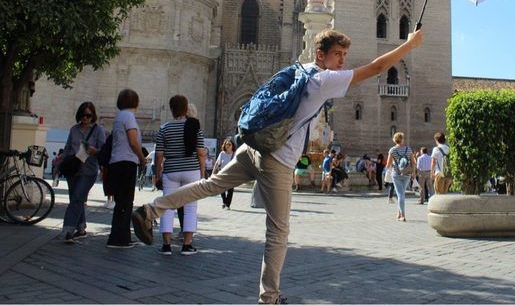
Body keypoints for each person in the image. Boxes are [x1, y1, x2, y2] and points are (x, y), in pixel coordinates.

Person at [131, 27, 423, 303]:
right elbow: (374, 68)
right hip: (278, 160)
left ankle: (151, 210)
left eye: (344, 56)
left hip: (253, 147)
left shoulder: (298, 69)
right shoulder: (322, 80)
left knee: (210, 184)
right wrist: (410, 45)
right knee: (278, 232)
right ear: (320, 54)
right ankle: (268, 298)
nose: (342, 61)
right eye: (338, 55)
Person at [155, 95, 206, 255]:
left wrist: (157, 174)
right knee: (190, 208)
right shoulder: (195, 127)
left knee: (167, 207)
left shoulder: (164, 128)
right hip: (192, 170)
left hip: (171, 170)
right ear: (186, 109)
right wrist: (202, 174)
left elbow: (159, 155)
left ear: (171, 110)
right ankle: (187, 245)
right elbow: (201, 153)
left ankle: (166, 245)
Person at [107, 89, 147, 248]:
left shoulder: (119, 117)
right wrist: (142, 157)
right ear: (134, 102)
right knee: (126, 202)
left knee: (121, 202)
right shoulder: (129, 116)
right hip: (126, 163)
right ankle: (119, 239)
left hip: (117, 162)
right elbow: (132, 140)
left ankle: (120, 236)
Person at [62, 102, 107, 243]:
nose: (85, 118)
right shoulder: (74, 129)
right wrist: (59, 166)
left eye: (88, 115)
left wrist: (95, 150)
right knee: (77, 199)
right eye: (83, 115)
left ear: (93, 116)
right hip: (73, 169)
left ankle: (69, 229)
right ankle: (81, 229)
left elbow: (103, 151)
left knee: (77, 198)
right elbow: (68, 147)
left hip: (88, 171)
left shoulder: (98, 130)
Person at [386, 132, 414, 222]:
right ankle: (399, 213)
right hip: (407, 174)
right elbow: (413, 162)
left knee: (400, 194)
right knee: (401, 193)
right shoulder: (408, 149)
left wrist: (393, 167)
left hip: (396, 174)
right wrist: (413, 173)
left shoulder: (392, 150)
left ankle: (403, 215)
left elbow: (388, 164)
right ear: (402, 139)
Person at [214, 139, 236, 209]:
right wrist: (213, 173)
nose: (228, 146)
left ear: (232, 146)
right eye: (226, 144)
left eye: (229, 144)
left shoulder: (234, 154)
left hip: (231, 174)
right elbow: (217, 164)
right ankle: (224, 201)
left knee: (230, 190)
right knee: (221, 189)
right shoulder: (222, 153)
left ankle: (227, 205)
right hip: (222, 173)